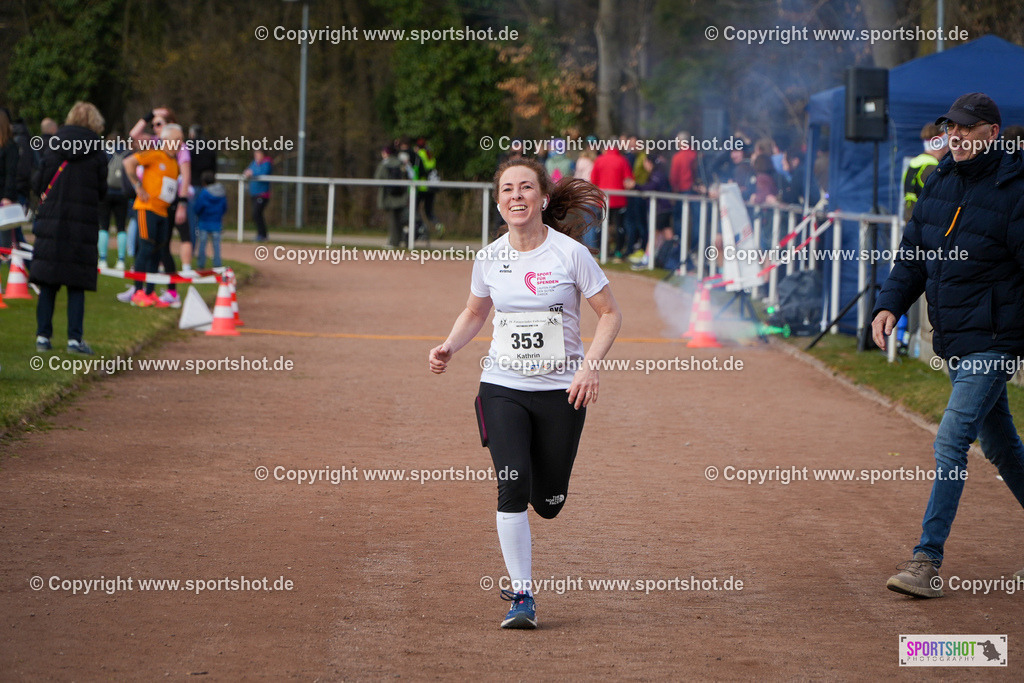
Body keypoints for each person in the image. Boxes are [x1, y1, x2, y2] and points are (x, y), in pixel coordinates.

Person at [428, 158, 622, 629]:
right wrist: (450, 345)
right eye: (508, 189)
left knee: (549, 503)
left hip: (561, 391)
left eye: (526, 188)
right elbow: (476, 312)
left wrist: (589, 368)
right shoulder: (490, 257)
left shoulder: (570, 254)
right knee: (511, 484)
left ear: (543, 198)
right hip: (503, 387)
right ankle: (522, 594)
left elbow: (610, 314)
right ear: (499, 202)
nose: (517, 196)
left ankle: (542, 487)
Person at [871, 93, 1024, 598]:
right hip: (956, 339)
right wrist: (888, 304)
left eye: (965, 129)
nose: (954, 137)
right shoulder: (939, 181)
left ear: (991, 133)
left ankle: (926, 560)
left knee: (950, 441)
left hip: (996, 341)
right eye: (950, 128)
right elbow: (912, 257)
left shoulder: (1016, 189)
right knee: (1003, 447)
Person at [30, 102, 108, 354]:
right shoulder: (97, 151)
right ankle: (75, 339)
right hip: (82, 223)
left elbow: (39, 181)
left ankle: (43, 336)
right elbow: (102, 190)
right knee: (76, 284)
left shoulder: (53, 145)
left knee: (48, 282)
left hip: (52, 219)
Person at [121, 123, 182, 307]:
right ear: (166, 140)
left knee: (157, 251)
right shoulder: (155, 154)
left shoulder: (174, 163)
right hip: (147, 209)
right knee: (146, 248)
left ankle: (150, 291)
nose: (181, 143)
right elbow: (128, 162)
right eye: (177, 140)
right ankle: (138, 291)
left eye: (182, 140)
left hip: (163, 212)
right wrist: (138, 186)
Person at [590, 144, 634, 259]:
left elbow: (593, 180)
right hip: (619, 200)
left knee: (601, 226)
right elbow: (628, 180)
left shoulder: (599, 160)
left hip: (602, 199)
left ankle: (600, 251)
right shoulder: (622, 160)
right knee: (619, 226)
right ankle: (618, 252)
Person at [98, 137, 132, 270]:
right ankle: (121, 260)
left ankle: (102, 259)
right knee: (121, 227)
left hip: (106, 192)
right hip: (122, 193)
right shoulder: (127, 153)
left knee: (103, 226)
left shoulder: (105, 152)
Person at [901, 123, 948, 219]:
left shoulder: (913, 164)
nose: (949, 149)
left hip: (911, 225)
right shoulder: (933, 169)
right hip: (924, 227)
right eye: (947, 144)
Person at [374, 145, 408, 248]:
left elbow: (378, 178)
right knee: (400, 219)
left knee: (393, 220)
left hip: (389, 197)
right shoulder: (401, 163)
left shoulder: (385, 163)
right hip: (401, 196)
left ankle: (394, 242)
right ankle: (402, 240)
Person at [193, 170, 227, 269]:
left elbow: (198, 207)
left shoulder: (204, 193)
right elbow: (225, 207)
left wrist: (198, 213)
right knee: (216, 245)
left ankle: (201, 265)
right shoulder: (222, 192)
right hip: (217, 222)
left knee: (202, 245)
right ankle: (217, 265)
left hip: (204, 222)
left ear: (203, 182)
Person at [243, 150, 272, 241]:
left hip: (262, 194)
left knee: (256, 213)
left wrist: (252, 173)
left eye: (258, 154)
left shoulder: (267, 163)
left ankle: (262, 235)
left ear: (263, 154)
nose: (256, 156)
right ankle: (262, 234)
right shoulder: (254, 163)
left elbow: (263, 172)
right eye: (255, 154)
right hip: (254, 193)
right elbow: (248, 171)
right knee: (256, 214)